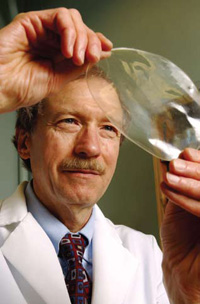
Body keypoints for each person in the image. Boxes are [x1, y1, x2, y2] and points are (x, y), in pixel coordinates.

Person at [0, 7, 199, 304]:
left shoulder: (149, 254)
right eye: (69, 121)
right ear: (25, 141)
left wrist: (187, 297)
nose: (90, 147)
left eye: (108, 128)